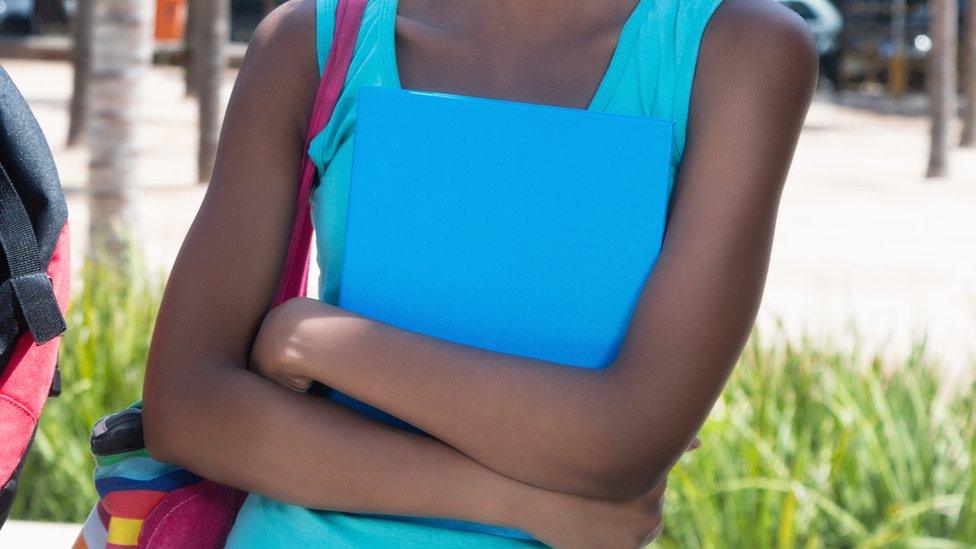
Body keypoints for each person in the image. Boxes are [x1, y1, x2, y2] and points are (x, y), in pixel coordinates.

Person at [142, 0, 817, 546]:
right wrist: (515, 501)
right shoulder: (314, 42)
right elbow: (188, 408)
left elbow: (623, 440)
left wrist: (314, 338)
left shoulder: (738, 51)